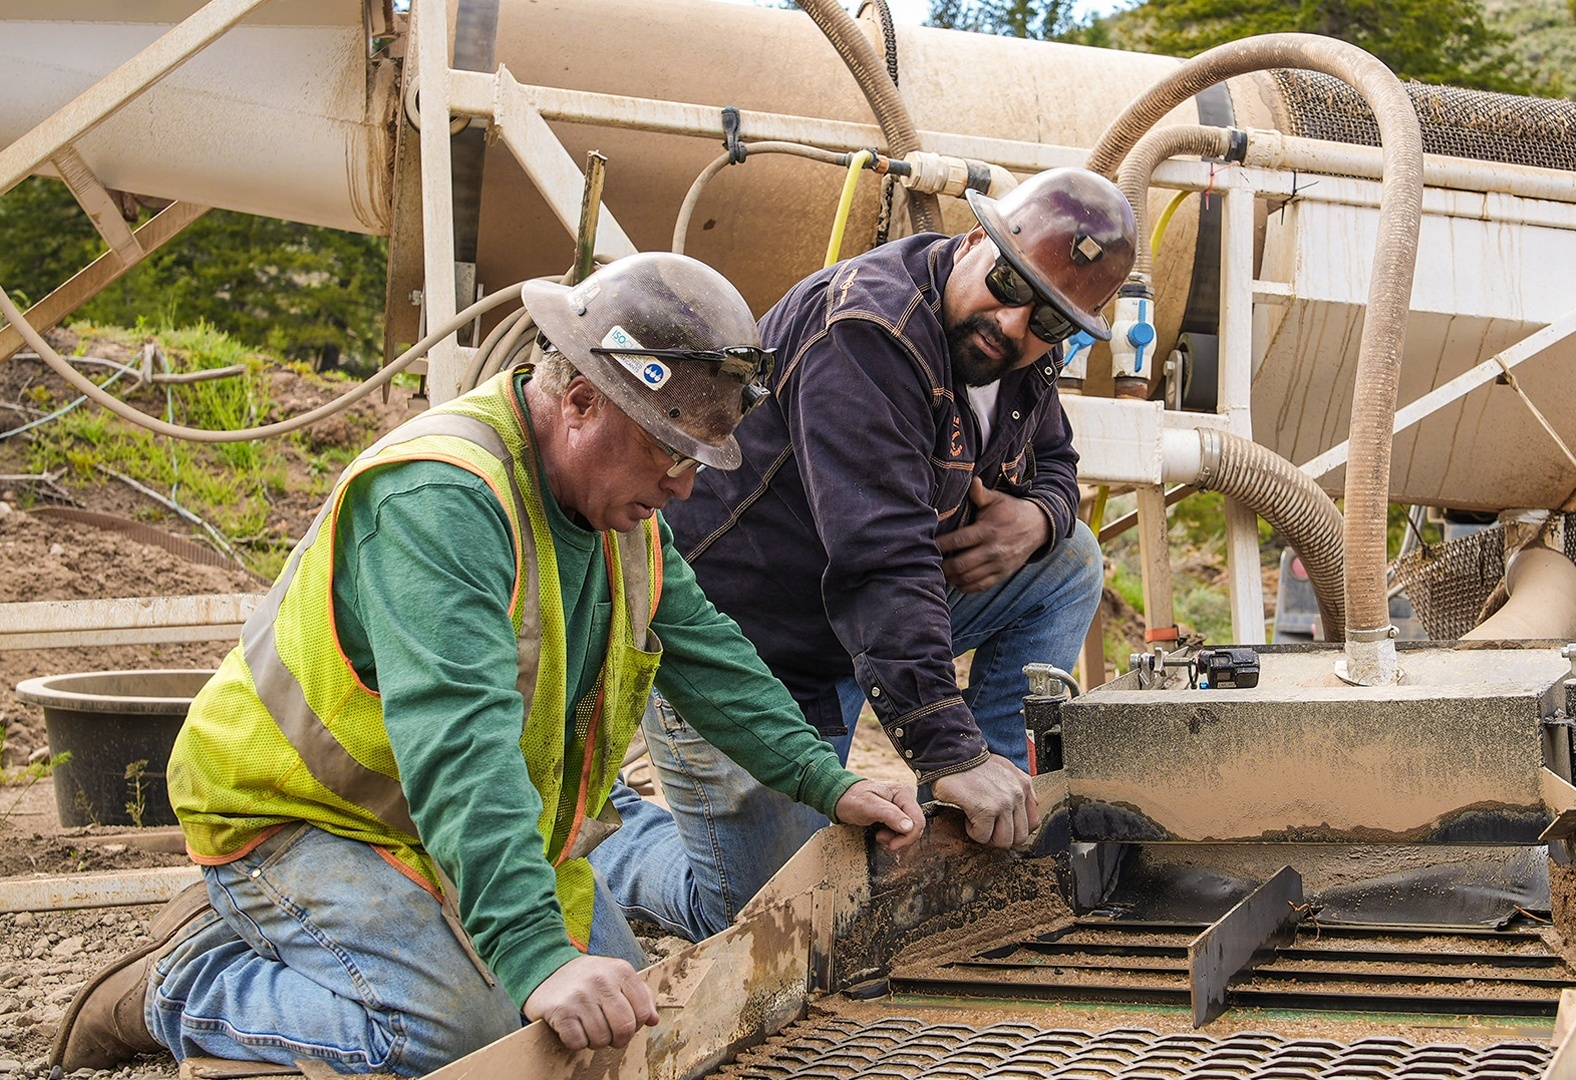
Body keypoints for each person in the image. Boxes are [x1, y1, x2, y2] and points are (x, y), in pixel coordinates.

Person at [49, 252, 925, 1076]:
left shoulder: (619, 514)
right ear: (582, 399)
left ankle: (391, 940)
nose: (684, 487)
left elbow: (714, 661)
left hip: (444, 830)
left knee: (626, 1027)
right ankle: (181, 981)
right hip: (300, 817)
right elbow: (458, 740)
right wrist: (538, 957)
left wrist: (825, 781)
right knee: (471, 1035)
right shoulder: (443, 498)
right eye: (669, 449)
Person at [590, 167, 1135, 942]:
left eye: (1049, 320)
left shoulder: (1021, 352)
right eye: (1010, 286)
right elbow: (882, 556)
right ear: (975, 240)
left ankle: (984, 819)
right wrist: (946, 747)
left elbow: (1056, 465)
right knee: (773, 918)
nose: (1016, 326)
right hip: (748, 646)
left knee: (1068, 558)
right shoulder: (867, 331)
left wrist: (1037, 520)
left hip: (850, 634)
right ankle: (610, 838)